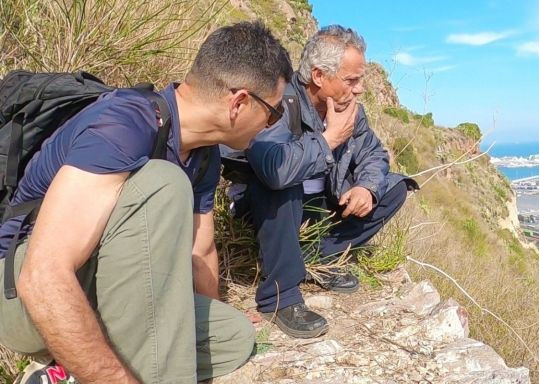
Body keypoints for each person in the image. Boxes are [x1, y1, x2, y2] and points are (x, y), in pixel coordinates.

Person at [0, 21, 292, 383]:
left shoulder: (203, 155)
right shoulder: (123, 125)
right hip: (21, 299)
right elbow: (41, 275)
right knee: (162, 183)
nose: (271, 126)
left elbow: (200, 252)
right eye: (274, 113)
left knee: (232, 335)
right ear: (239, 102)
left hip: (104, 290)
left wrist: (208, 312)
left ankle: (67, 370)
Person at [230, 25, 417, 339]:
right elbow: (273, 167)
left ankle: (318, 254)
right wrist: (329, 139)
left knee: (396, 187)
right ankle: (280, 296)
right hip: (268, 209)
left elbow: (374, 153)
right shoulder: (280, 101)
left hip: (318, 208)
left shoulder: (349, 109)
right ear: (318, 75)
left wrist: (366, 187)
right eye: (351, 80)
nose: (359, 89)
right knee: (283, 181)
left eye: (360, 79)